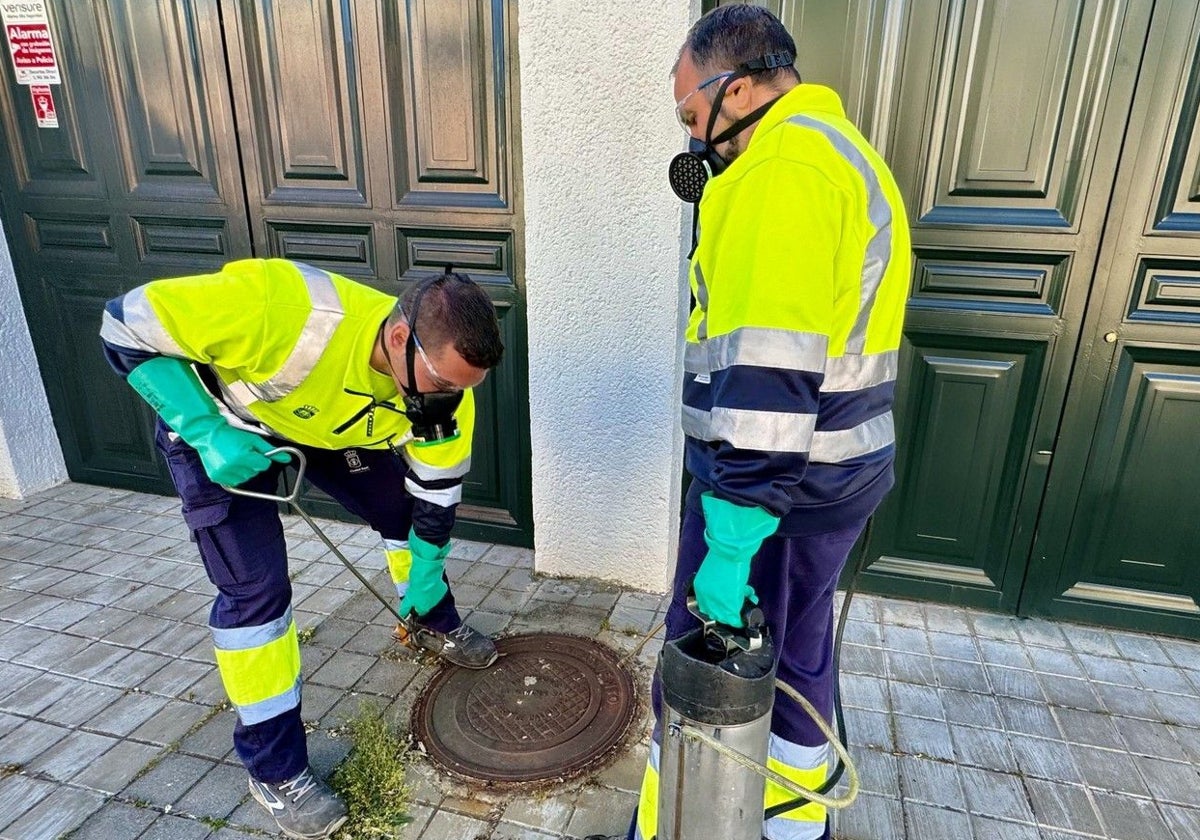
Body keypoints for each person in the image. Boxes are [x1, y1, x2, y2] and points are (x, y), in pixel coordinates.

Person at [592, 7, 911, 840]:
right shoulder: (844, 153)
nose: (694, 141)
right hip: (830, 483)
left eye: (693, 118)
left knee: (695, 681)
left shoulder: (784, 172)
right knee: (799, 666)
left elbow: (768, 378)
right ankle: (797, 831)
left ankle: (669, 831)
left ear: (735, 87)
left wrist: (729, 548)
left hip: (767, 500)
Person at [101, 258, 505, 839]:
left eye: (462, 390)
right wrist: (204, 429)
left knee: (400, 511)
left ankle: (431, 619)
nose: (448, 402)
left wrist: (428, 568)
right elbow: (123, 324)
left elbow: (436, 492)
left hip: (325, 429)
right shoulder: (283, 309)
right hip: (224, 427)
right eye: (442, 385)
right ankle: (275, 771)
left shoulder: (444, 392)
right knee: (256, 593)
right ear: (399, 337)